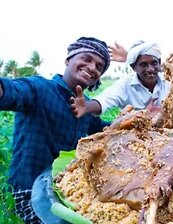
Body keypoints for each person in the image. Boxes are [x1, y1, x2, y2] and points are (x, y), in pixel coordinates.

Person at [0, 37, 111, 223]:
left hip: (62, 192)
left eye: (99, 66)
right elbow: (11, 91)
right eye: (87, 58)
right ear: (68, 60)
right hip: (28, 194)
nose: (93, 67)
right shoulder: (39, 88)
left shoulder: (84, 107)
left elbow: (105, 129)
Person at [71, 41, 169, 117]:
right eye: (143, 65)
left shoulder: (170, 81)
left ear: (159, 63)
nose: (150, 69)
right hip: (138, 138)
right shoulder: (125, 85)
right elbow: (105, 99)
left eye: (154, 63)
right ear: (133, 67)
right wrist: (86, 107)